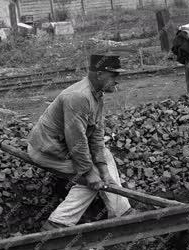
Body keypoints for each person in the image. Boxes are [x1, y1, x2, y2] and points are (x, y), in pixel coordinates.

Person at [28, 54, 133, 230]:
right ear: (99, 74)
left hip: (64, 148)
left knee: (103, 160)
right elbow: (76, 140)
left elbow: (96, 134)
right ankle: (58, 224)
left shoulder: (96, 94)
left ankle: (121, 212)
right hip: (47, 151)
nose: (117, 81)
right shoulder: (78, 96)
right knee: (91, 180)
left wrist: (104, 170)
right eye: (114, 76)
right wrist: (90, 172)